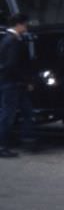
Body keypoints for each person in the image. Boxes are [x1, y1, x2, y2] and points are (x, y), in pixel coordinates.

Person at [0, 13, 34, 157]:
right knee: (8, 115)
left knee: (26, 112)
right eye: (25, 24)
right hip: (13, 83)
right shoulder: (13, 41)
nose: (26, 27)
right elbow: (13, 65)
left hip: (13, 83)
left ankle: (27, 139)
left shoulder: (8, 39)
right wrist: (26, 81)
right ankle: (3, 146)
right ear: (19, 25)